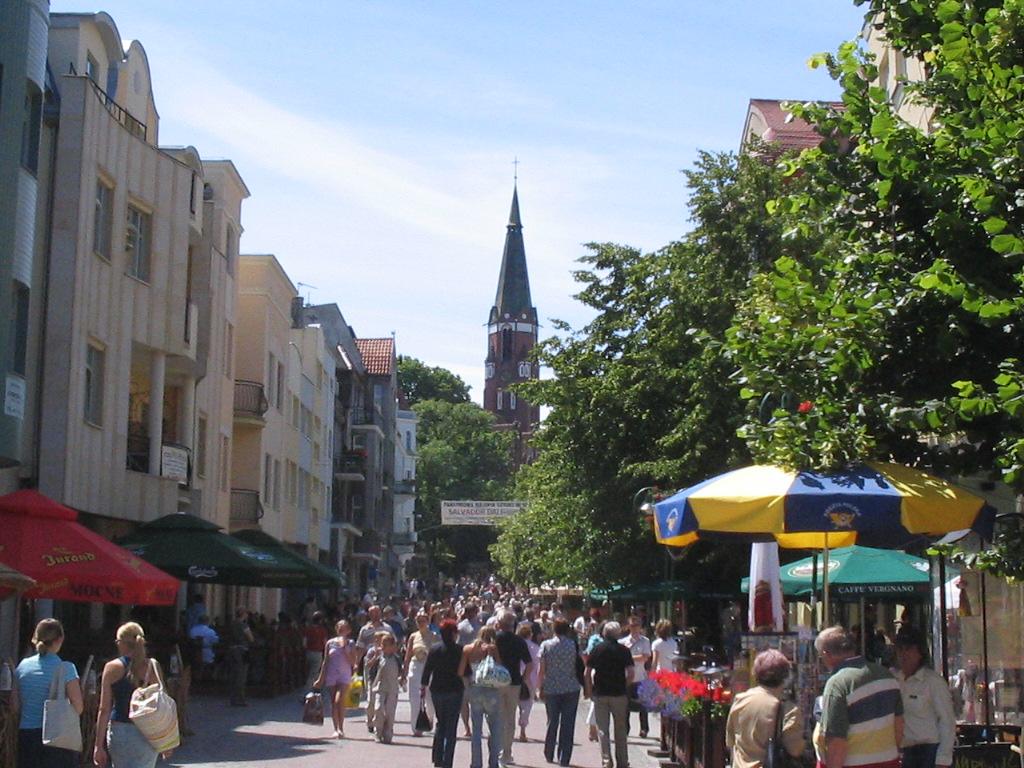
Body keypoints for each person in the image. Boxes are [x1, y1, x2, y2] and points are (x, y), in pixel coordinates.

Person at [816, 625, 903, 768]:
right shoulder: (887, 676)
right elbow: (899, 726)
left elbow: (836, 741)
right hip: (890, 762)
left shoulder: (837, 683)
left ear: (826, 654)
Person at [94, 622, 169, 768]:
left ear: (121, 643)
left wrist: (98, 745)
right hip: (148, 731)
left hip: (120, 729)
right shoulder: (152, 667)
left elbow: (104, 709)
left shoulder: (112, 668)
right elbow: (163, 704)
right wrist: (166, 740)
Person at [14, 619, 83, 768]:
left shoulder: (22, 667)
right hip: (57, 736)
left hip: (27, 735)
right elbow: (78, 707)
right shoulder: (66, 669)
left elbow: (14, 706)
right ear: (60, 639)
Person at [725, 649, 805, 768]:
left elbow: (730, 741)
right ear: (786, 676)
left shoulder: (740, 700)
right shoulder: (788, 709)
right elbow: (795, 749)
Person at [893, 627, 955, 768]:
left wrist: (943, 759)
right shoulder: (894, 680)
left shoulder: (933, 682)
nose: (903, 654)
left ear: (919, 652)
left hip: (929, 752)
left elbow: (947, 721)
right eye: (900, 649)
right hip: (904, 752)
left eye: (908, 649)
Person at [538, 618, 583, 767]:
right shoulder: (574, 645)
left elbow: (542, 670)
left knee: (552, 721)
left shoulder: (546, 645)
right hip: (571, 687)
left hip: (552, 687)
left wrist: (540, 687)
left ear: (554, 629)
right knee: (568, 723)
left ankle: (549, 752)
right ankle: (565, 757)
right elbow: (580, 664)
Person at [588, 621, 634, 768]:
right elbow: (631, 673)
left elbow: (587, 672)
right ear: (618, 634)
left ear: (604, 634)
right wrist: (625, 685)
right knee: (620, 730)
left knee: (603, 730)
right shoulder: (624, 650)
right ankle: (622, 761)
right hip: (619, 693)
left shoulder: (597, 649)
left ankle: (606, 761)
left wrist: (589, 689)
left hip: (600, 693)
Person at [459, 626, 504, 768]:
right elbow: (500, 667)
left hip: (475, 689)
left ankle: (476, 763)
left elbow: (460, 671)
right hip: (492, 690)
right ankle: (493, 762)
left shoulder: (468, 649)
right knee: (495, 728)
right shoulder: (493, 648)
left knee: (476, 730)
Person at [422, 619, 465, 768]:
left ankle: (437, 758)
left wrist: (423, 686)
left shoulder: (434, 649)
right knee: (451, 727)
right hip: (454, 690)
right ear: (453, 634)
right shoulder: (460, 650)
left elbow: (427, 670)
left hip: (437, 690)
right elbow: (466, 672)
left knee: (441, 723)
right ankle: (447, 762)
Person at [495, 609, 533, 766]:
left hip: (495, 682)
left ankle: (496, 750)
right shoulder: (519, 641)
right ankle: (506, 752)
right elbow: (529, 664)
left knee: (497, 717)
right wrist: (523, 679)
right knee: (510, 718)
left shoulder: (495, 639)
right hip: (514, 682)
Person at [313, 620, 355, 739]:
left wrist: (345, 648)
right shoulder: (330, 643)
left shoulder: (351, 643)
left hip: (344, 675)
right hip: (331, 675)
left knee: (339, 700)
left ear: (349, 630)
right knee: (333, 703)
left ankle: (341, 728)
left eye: (344, 628)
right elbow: (325, 661)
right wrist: (320, 678)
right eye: (340, 628)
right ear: (336, 629)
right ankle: (336, 728)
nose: (342, 630)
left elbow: (353, 662)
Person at [403, 611, 441, 735]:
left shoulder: (434, 636)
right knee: (414, 697)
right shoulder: (413, 636)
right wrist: (404, 671)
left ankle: (429, 720)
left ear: (427, 622)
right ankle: (416, 727)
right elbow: (408, 655)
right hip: (416, 666)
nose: (420, 623)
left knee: (430, 698)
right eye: (418, 621)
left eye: (423, 621)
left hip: (430, 667)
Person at [620, 615, 651, 737]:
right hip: (627, 677)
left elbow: (645, 657)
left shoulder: (645, 641)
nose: (634, 628)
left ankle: (644, 729)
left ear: (640, 627)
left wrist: (629, 658)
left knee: (643, 705)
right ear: (629, 627)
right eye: (632, 625)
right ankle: (626, 729)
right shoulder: (622, 642)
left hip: (640, 677)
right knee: (625, 705)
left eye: (637, 625)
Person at [372, 634, 403, 743]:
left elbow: (401, 671)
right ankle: (378, 732)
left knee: (390, 711)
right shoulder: (379, 658)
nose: (383, 647)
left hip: (392, 688)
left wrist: (402, 680)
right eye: (382, 645)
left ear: (393, 647)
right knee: (379, 708)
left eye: (386, 645)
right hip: (380, 687)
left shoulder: (397, 659)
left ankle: (388, 732)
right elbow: (371, 669)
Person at [516, 621, 541, 742]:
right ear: (530, 635)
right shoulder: (536, 648)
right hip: (530, 679)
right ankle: (522, 730)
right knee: (527, 705)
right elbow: (537, 665)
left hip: (515, 677)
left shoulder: (515, 645)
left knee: (514, 703)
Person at [226, 607, 254, 706]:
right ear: (243, 614)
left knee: (233, 674)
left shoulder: (231, 624)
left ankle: (232, 698)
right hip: (242, 651)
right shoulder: (243, 625)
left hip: (231, 650)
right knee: (241, 675)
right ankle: (240, 698)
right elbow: (250, 638)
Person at [302, 612, 329, 689]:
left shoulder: (307, 629)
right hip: (318, 653)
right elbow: (325, 643)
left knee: (310, 671)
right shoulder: (322, 630)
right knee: (314, 672)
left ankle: (316, 687)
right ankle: (308, 690)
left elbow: (304, 643)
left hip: (308, 652)